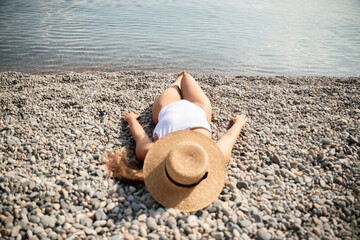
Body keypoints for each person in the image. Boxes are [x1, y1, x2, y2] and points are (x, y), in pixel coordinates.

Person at [106, 71, 247, 183]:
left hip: (167, 108)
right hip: (199, 108)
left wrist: (131, 119)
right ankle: (182, 78)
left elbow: (139, 135)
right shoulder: (215, 156)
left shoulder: (150, 152)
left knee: (176, 84)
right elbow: (230, 136)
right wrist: (239, 122)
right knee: (187, 76)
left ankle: (177, 81)